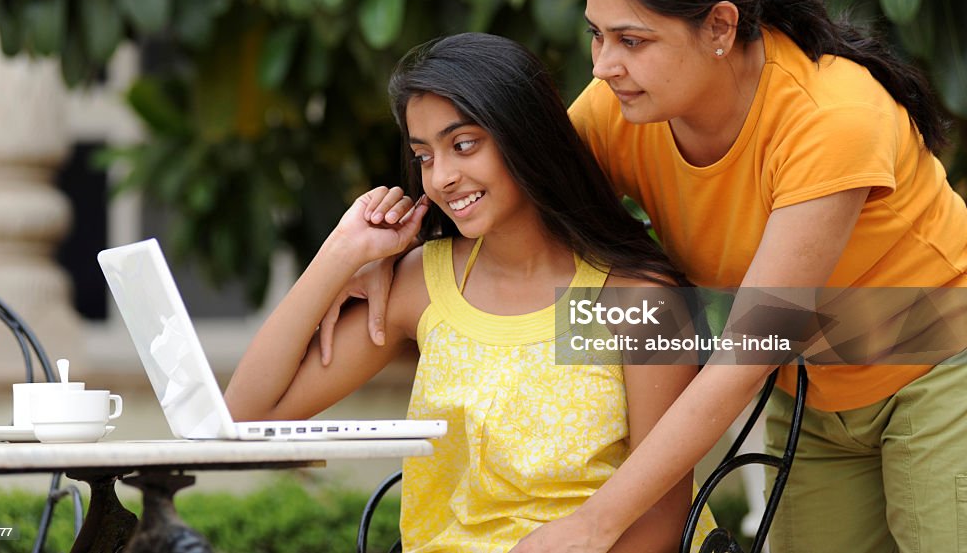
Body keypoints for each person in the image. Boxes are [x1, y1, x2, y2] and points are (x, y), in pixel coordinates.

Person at [324, 0, 967, 553]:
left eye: (631, 40)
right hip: (817, 387)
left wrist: (595, 522)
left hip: (938, 362)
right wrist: (387, 261)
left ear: (720, 26)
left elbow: (750, 348)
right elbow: (517, 197)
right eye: (596, 36)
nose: (603, 66)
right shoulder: (622, 108)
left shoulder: (831, 117)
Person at [224, 32, 717, 552]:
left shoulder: (636, 299)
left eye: (463, 145)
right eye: (424, 156)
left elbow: (663, 523)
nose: (442, 178)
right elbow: (241, 418)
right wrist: (340, 255)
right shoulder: (424, 284)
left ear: (524, 136)